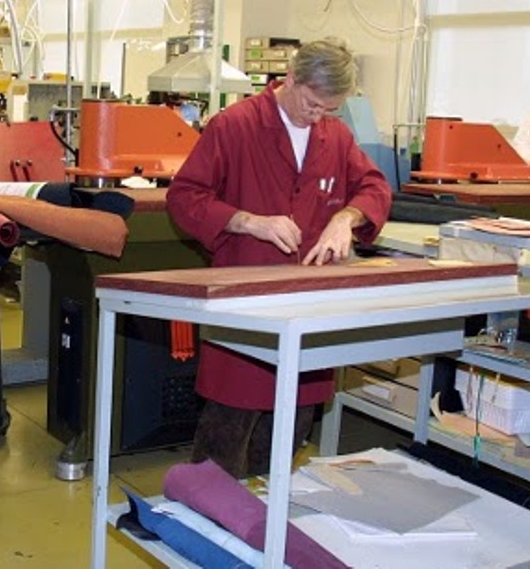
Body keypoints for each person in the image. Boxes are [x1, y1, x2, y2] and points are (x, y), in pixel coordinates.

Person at [165, 38, 393, 479]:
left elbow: (375, 187)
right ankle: (207, 511)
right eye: (312, 104)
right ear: (290, 79)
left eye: (330, 109)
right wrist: (246, 221)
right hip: (245, 300)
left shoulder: (336, 136)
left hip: (308, 303)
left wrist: (346, 218)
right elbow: (185, 197)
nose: (318, 117)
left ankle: (266, 516)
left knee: (291, 428)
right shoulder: (235, 126)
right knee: (226, 432)